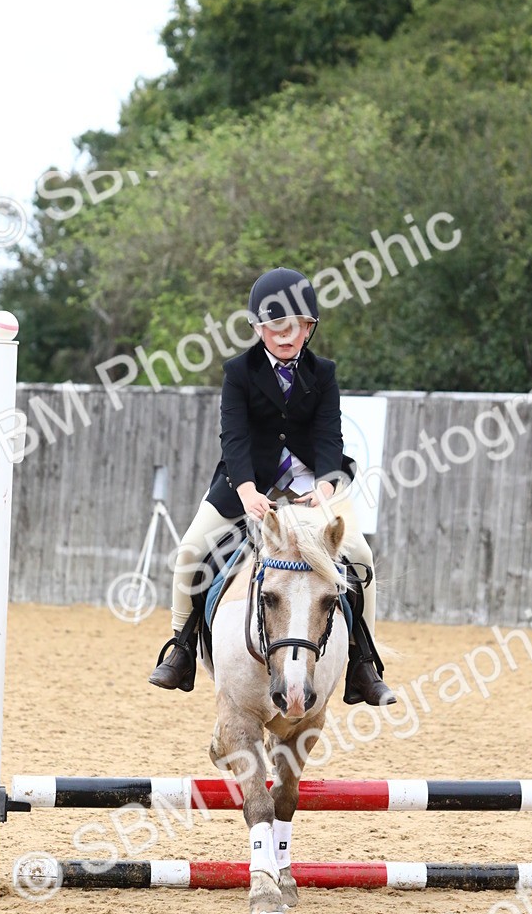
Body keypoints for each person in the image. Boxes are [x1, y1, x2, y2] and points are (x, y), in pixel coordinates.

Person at [149, 266, 396, 706]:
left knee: (360, 556)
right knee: (189, 550)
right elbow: (234, 437)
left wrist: (325, 488)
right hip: (246, 484)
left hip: (311, 486)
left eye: (295, 326)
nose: (285, 335)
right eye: (275, 326)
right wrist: (246, 491)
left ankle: (363, 662)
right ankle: (181, 647)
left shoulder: (323, 374)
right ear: (258, 328)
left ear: (309, 328)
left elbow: (329, 436)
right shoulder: (238, 372)